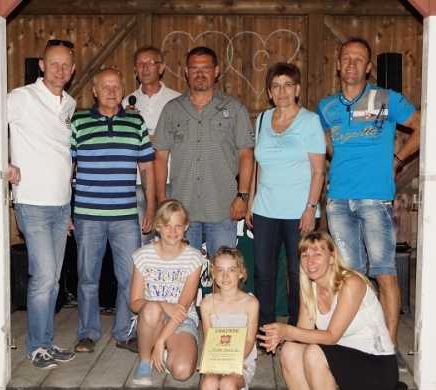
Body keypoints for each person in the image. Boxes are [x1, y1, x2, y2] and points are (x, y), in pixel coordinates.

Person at [317, 37, 421, 372]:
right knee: (350, 276)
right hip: (337, 200)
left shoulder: (386, 98)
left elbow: (422, 126)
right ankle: (359, 341)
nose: (351, 64)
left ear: (368, 66)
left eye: (358, 59)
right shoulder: (326, 107)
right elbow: (326, 140)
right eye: (346, 58)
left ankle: (389, 349)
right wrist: (340, 159)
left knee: (385, 272)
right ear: (338, 64)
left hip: (375, 199)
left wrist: (397, 159)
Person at [259, 232, 407, 390]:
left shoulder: (351, 283)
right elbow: (302, 334)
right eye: (305, 255)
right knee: (289, 351)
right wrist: (279, 339)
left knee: (315, 352)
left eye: (317, 254)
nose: (310, 261)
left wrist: (287, 331)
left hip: (377, 369)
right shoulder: (310, 289)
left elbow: (331, 337)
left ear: (332, 257)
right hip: (345, 362)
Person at [71, 68, 155, 355]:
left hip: (125, 215)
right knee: (87, 278)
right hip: (87, 214)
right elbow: (68, 166)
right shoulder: (79, 121)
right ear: (95, 91)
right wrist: (66, 209)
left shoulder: (135, 122)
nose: (111, 92)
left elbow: (146, 165)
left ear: (123, 91)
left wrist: (151, 206)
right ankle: (87, 333)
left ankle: (124, 332)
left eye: (116, 87)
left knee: (130, 278)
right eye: (105, 87)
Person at [7, 39, 77, 370]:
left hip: (61, 206)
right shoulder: (21, 98)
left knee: (53, 280)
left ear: (72, 70)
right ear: (42, 66)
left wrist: (69, 208)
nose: (59, 70)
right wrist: (3, 164)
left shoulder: (70, 103)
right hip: (32, 202)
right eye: (54, 64)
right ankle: (35, 346)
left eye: (65, 65)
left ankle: (45, 342)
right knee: (44, 276)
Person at [248, 62, 326, 338]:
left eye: (288, 85)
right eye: (276, 86)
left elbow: (318, 170)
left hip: (299, 211)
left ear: (297, 89)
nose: (282, 91)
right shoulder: (261, 119)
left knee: (299, 273)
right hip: (265, 209)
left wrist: (310, 208)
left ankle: (297, 332)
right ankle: (265, 332)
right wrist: (251, 203)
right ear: (269, 92)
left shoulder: (310, 121)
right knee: (263, 273)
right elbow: (258, 166)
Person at [152, 46, 254, 258]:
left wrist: (243, 196)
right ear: (186, 71)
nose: (200, 73)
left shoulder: (234, 108)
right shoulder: (172, 109)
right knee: (183, 270)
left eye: (206, 68)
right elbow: (160, 156)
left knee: (224, 269)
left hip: (223, 208)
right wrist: (161, 196)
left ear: (216, 70)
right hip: (181, 210)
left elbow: (246, 153)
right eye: (194, 68)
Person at [190, 246, 259, 390]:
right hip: (218, 358)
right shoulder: (207, 303)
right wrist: (208, 363)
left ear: (241, 273)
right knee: (209, 384)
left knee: (228, 384)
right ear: (213, 274)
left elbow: (249, 340)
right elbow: (209, 337)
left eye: (231, 270)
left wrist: (235, 362)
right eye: (219, 270)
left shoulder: (250, 303)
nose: (225, 276)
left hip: (242, 360)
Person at [130, 200, 204, 386]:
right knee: (152, 308)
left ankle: (164, 349)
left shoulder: (194, 257)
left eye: (178, 225)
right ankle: (144, 361)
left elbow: (182, 309)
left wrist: (161, 341)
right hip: (151, 319)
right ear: (157, 226)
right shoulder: (143, 255)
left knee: (182, 372)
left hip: (181, 319)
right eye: (167, 225)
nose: (173, 231)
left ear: (186, 226)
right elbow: (135, 303)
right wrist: (163, 305)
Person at [125, 46, 181, 245]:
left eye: (150, 63)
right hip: (136, 182)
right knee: (141, 243)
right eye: (140, 63)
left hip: (170, 181)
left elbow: (185, 139)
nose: (145, 67)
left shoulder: (177, 100)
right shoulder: (126, 102)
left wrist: (159, 139)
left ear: (161, 68)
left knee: (170, 241)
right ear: (135, 69)